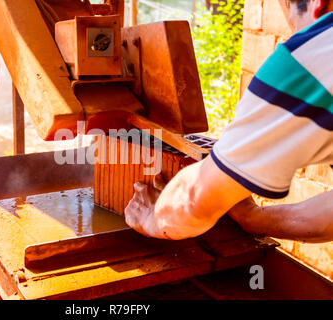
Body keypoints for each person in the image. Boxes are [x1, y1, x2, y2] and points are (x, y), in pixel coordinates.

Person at [124, 0, 333, 243]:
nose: (296, 33)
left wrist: (152, 217)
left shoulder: (308, 58)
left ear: (316, 4)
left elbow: (193, 203)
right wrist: (252, 218)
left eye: (292, 20)